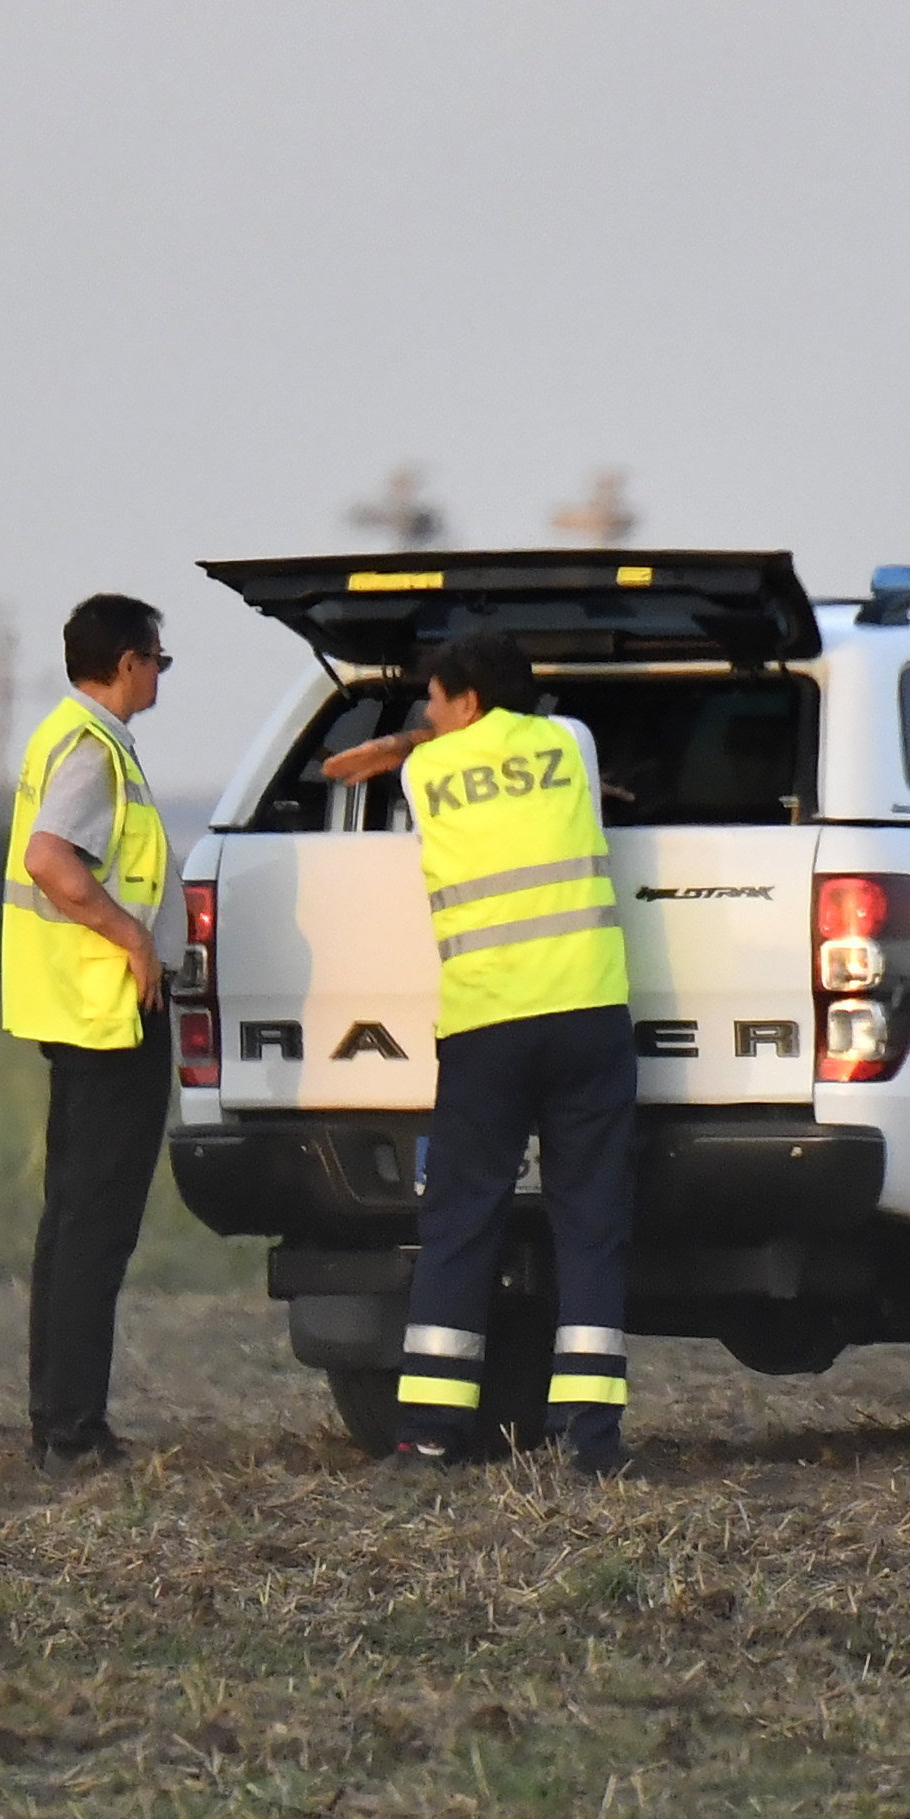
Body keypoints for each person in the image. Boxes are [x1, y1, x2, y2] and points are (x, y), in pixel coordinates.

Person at [318, 622, 635, 1472]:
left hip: (488, 1025)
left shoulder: (425, 770)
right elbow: (515, 743)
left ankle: (429, 1435)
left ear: (463, 698)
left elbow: (423, 750)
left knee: (462, 1224)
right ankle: (590, 1440)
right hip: (588, 1015)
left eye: (432, 693)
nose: (425, 707)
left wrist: (394, 742)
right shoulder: (571, 744)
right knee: (591, 1225)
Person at [4, 593, 176, 1465]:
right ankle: (72, 1431)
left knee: (71, 1225)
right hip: (108, 1017)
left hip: (76, 1013)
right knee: (94, 1230)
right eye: (159, 661)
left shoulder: (63, 738)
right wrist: (133, 935)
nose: (160, 677)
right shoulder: (91, 749)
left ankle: (59, 1421)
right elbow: (50, 859)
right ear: (127, 662)